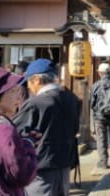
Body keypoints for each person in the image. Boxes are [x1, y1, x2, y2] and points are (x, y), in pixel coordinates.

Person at [13, 58, 80, 196]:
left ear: (37, 80)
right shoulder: (71, 98)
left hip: (41, 169)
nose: (29, 88)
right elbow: (75, 129)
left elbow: (13, 133)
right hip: (64, 165)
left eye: (29, 83)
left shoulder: (35, 103)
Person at [0, 67, 38, 196]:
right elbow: (21, 174)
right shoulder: (3, 130)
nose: (19, 99)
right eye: (12, 92)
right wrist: (28, 144)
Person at [90, 62, 110, 170]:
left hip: (100, 116)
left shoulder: (95, 85)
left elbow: (92, 103)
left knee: (100, 138)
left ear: (100, 73)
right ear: (109, 73)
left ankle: (103, 162)